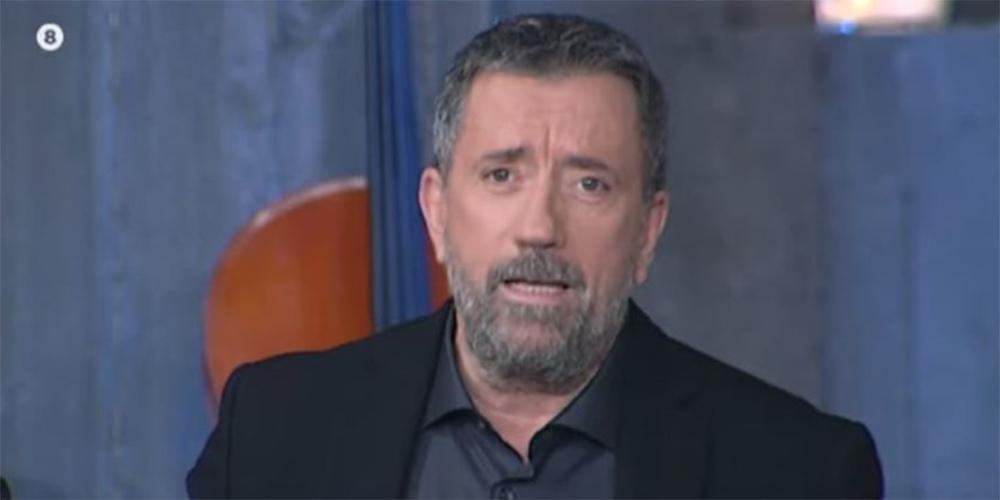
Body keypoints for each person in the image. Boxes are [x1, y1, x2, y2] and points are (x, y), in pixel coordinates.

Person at [188, 13, 882, 498]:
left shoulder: (801, 472)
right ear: (436, 212)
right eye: (502, 175)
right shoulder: (272, 432)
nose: (540, 228)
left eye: (589, 184)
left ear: (647, 231)